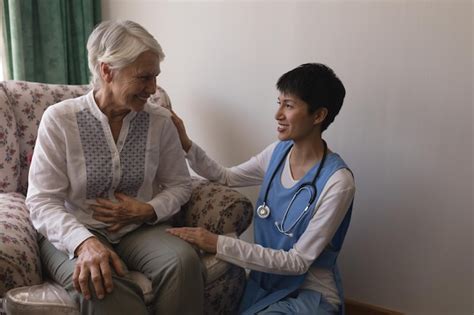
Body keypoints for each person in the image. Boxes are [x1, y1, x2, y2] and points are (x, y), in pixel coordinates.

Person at [26, 20, 204, 314]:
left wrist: (149, 209)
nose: (153, 89)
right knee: (98, 283)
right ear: (107, 71)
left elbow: (180, 184)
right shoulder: (60, 119)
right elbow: (42, 200)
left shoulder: (160, 120)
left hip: (140, 229)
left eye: (155, 77)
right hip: (75, 228)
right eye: (144, 78)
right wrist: (84, 243)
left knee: (183, 262)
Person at [168, 63, 355, 315]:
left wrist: (218, 243)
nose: (278, 114)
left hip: (309, 294)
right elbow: (225, 177)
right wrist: (185, 143)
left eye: (288, 105)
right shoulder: (277, 153)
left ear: (318, 116)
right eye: (279, 103)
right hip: (265, 284)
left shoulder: (338, 183)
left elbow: (298, 262)